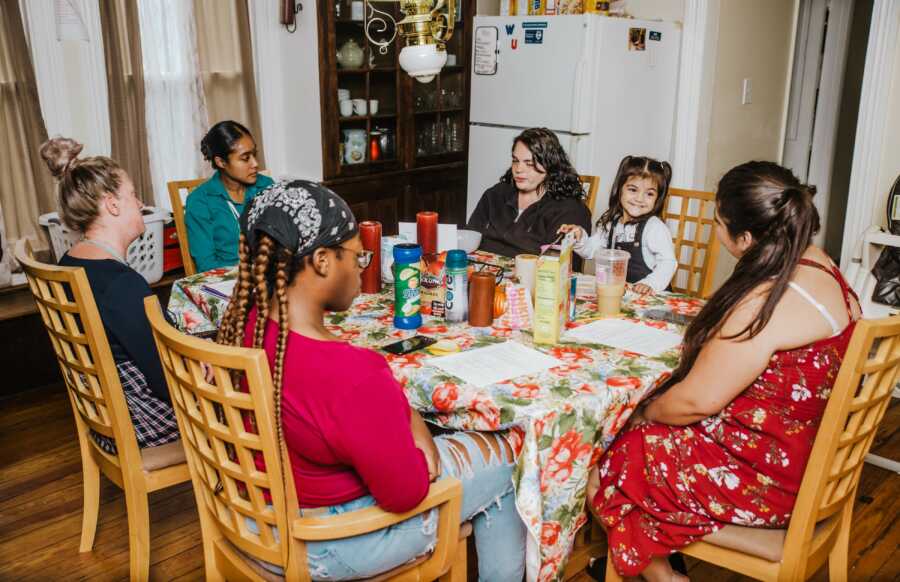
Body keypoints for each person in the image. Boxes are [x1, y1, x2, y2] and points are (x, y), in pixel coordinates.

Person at [216, 180, 526, 581]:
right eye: (358, 257)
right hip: (331, 542)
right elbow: (406, 491)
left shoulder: (247, 326)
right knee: (512, 458)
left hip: (255, 520)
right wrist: (419, 435)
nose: (361, 268)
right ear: (323, 261)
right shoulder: (352, 372)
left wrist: (407, 414)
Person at [587, 161, 860, 581]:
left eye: (718, 222)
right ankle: (659, 566)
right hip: (806, 458)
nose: (717, 230)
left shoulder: (765, 302)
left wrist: (642, 413)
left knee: (608, 448)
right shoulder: (820, 263)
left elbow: (697, 401)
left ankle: (663, 575)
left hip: (768, 483)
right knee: (637, 438)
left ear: (746, 238)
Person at [40, 137, 179, 454]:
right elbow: (165, 379)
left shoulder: (70, 263)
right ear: (112, 204)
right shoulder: (122, 284)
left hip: (105, 421)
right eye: (132, 195)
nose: (141, 203)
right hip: (141, 424)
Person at [466, 127, 591, 259]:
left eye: (529, 163)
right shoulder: (495, 194)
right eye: (515, 160)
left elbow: (557, 266)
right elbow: (469, 238)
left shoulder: (569, 210)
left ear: (550, 165)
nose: (518, 169)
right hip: (480, 273)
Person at [559, 155, 677, 294]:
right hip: (622, 295)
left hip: (651, 298)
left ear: (657, 198)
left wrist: (650, 284)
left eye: (649, 194)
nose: (640, 199)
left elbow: (668, 262)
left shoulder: (654, 227)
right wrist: (579, 237)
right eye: (633, 190)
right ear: (620, 188)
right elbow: (591, 250)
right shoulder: (611, 223)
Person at [185, 120, 273, 271]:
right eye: (245, 158)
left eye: (254, 155)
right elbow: (206, 265)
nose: (255, 163)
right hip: (229, 280)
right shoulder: (200, 201)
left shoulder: (265, 186)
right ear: (221, 162)